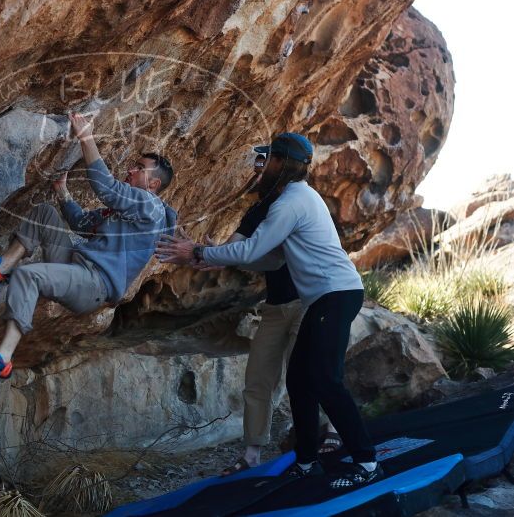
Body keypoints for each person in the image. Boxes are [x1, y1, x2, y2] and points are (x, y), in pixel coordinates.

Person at [157, 133, 381, 489]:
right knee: (299, 382)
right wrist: (210, 258)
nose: (262, 166)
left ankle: (366, 463)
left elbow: (250, 251)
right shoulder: (297, 198)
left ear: (281, 163)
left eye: (269, 159)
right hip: (325, 298)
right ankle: (306, 462)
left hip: (335, 295)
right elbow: (273, 257)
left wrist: (200, 253)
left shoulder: (290, 202)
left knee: (324, 379)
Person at [0, 112, 177, 382]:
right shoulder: (125, 214)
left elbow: (107, 188)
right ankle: (0, 268)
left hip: (94, 282)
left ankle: (4, 358)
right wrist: (63, 192)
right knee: (44, 213)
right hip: (76, 264)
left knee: (27, 275)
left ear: (153, 184)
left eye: (139, 168)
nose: (131, 169)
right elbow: (81, 223)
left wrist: (86, 137)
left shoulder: (151, 206)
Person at [216, 152, 342, 476]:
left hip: (306, 303)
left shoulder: (298, 204)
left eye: (264, 165)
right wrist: (212, 254)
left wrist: (226, 254)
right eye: (256, 167)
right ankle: (252, 453)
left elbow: (273, 256)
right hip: (273, 307)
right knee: (257, 378)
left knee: (309, 372)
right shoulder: (258, 210)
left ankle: (331, 429)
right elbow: (237, 248)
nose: (258, 172)